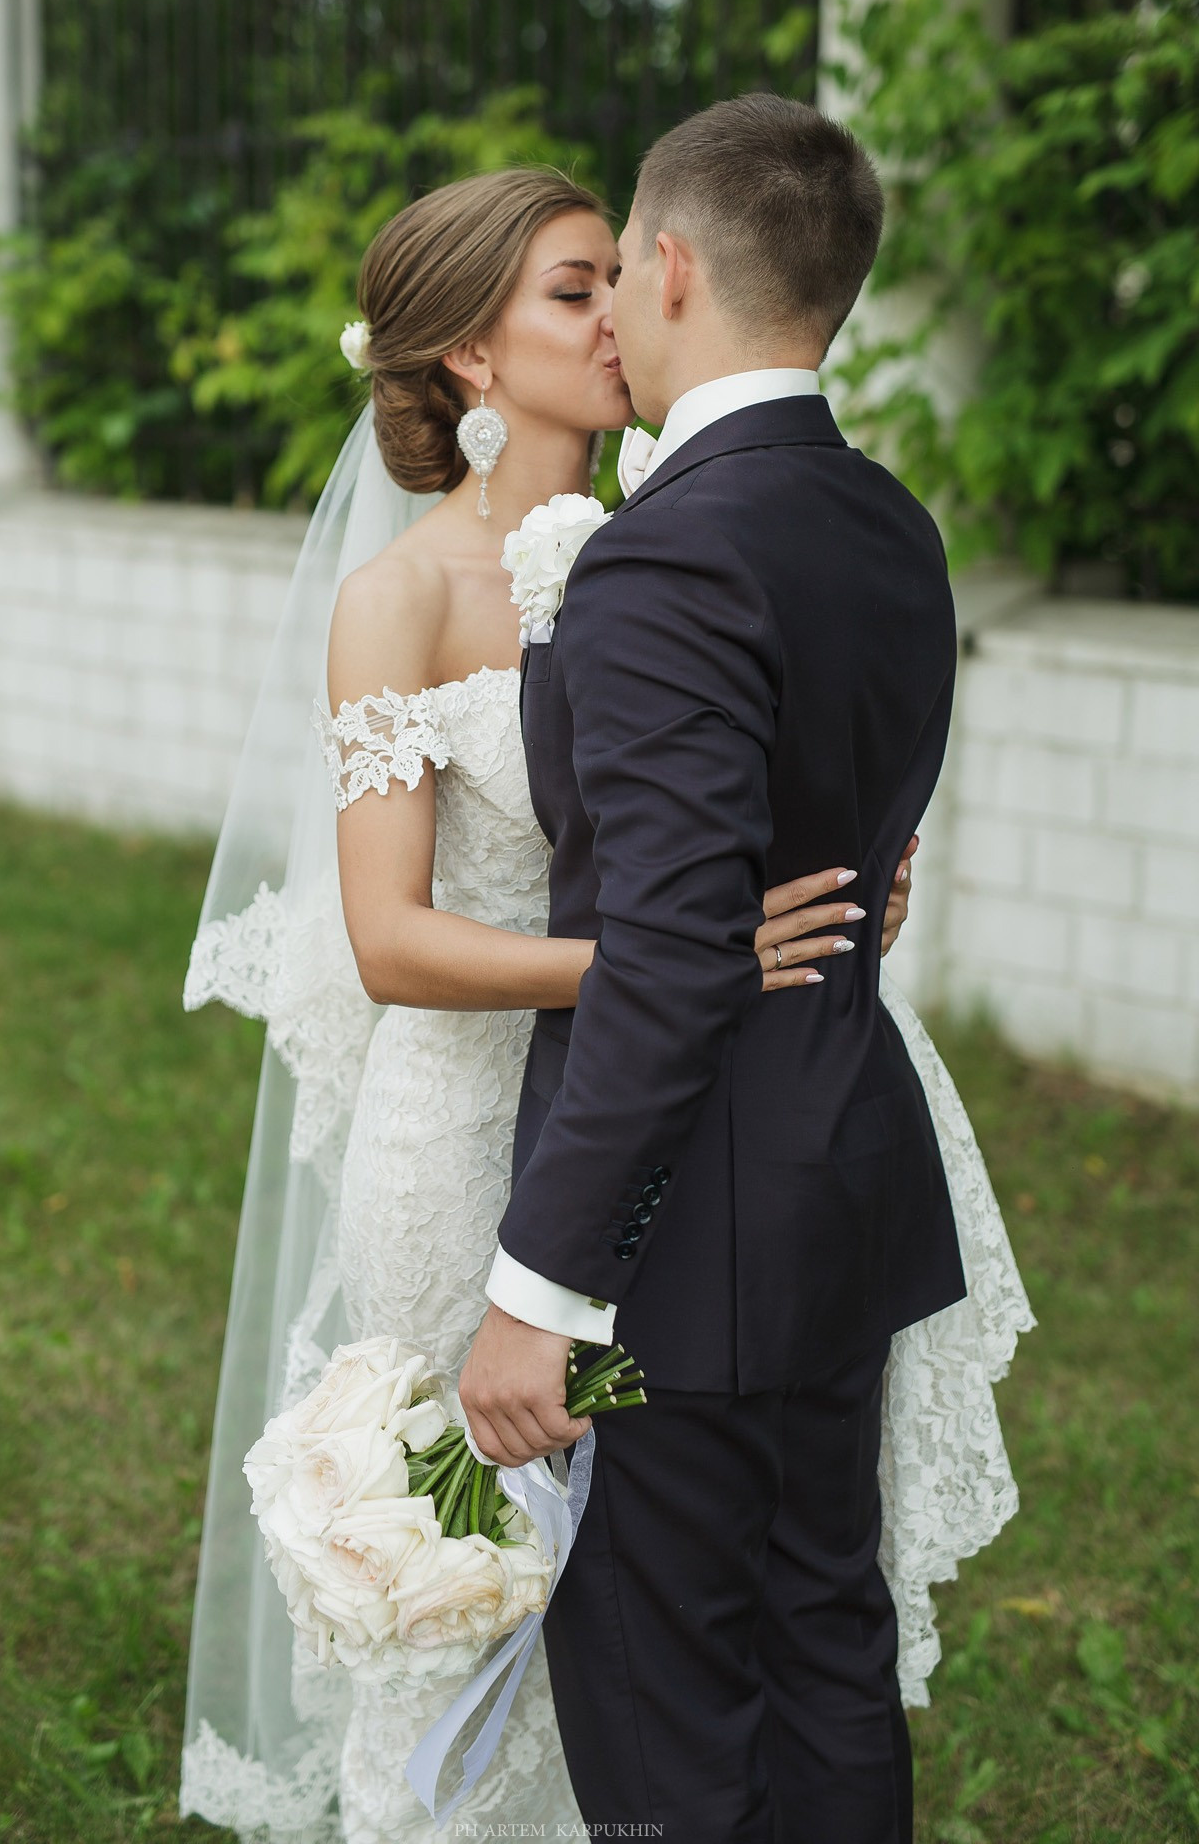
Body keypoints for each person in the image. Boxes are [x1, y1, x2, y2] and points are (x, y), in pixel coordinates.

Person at [180, 162, 1032, 1844]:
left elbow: (767, 790)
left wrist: (848, 873)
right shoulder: (403, 596)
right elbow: (389, 940)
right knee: (501, 1553)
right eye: (571, 293)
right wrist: (682, 954)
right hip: (471, 1147)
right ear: (471, 357)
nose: (617, 316)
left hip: (679, 1148)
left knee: (664, 1572)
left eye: (611, 278)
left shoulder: (677, 544)